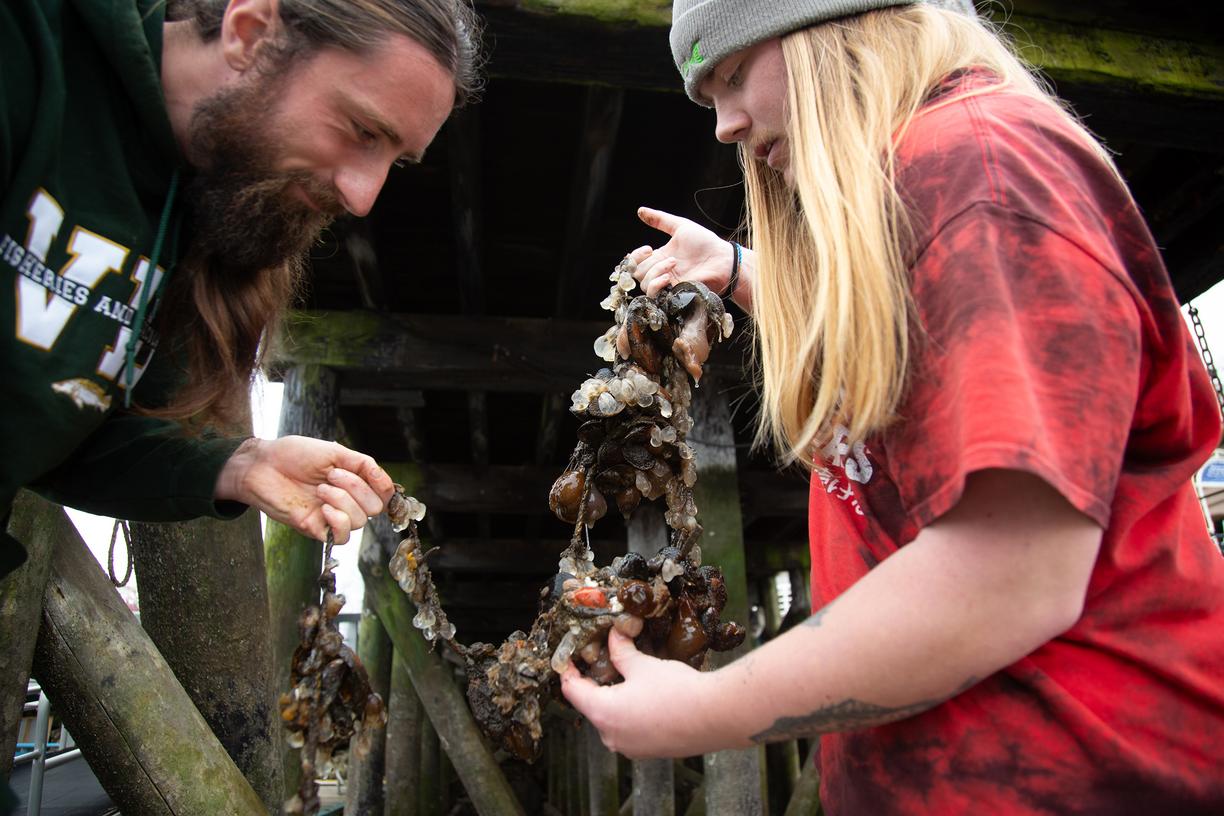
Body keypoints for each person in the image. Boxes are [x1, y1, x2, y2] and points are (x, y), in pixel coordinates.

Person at [561, 1, 1224, 812]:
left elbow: (1010, 574)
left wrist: (702, 710)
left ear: (843, 25)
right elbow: (907, 337)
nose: (727, 126)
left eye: (734, 75)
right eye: (708, 99)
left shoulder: (981, 169)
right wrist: (738, 268)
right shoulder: (935, 179)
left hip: (1084, 775)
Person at [0, 0, 482, 581]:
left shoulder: (211, 209)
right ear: (251, 33)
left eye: (395, 160)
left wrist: (237, 466)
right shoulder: (25, 49)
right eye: (362, 130)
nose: (363, 197)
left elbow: (59, 436)